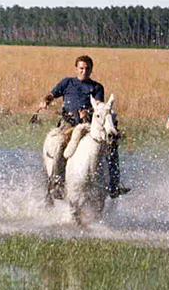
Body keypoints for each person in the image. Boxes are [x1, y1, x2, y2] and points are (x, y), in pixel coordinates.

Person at [37, 55, 130, 199]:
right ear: (76, 69)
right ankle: (56, 183)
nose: (84, 71)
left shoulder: (97, 87)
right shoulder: (67, 82)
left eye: (87, 69)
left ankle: (114, 184)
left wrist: (87, 112)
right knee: (61, 143)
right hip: (69, 123)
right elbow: (51, 94)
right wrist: (45, 101)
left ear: (91, 69)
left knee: (111, 146)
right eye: (81, 68)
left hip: (88, 125)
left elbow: (99, 107)